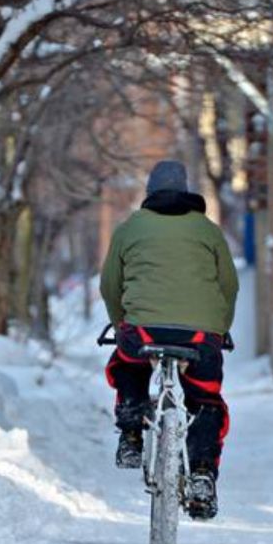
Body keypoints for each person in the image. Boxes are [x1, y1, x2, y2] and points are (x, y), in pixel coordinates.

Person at [99, 160, 239, 520]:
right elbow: (229, 286)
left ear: (149, 193)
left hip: (141, 331)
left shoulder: (130, 228)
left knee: (126, 364)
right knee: (206, 398)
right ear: (187, 190)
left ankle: (131, 433)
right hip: (200, 337)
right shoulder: (208, 231)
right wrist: (219, 329)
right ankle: (204, 473)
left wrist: (122, 324)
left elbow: (110, 285)